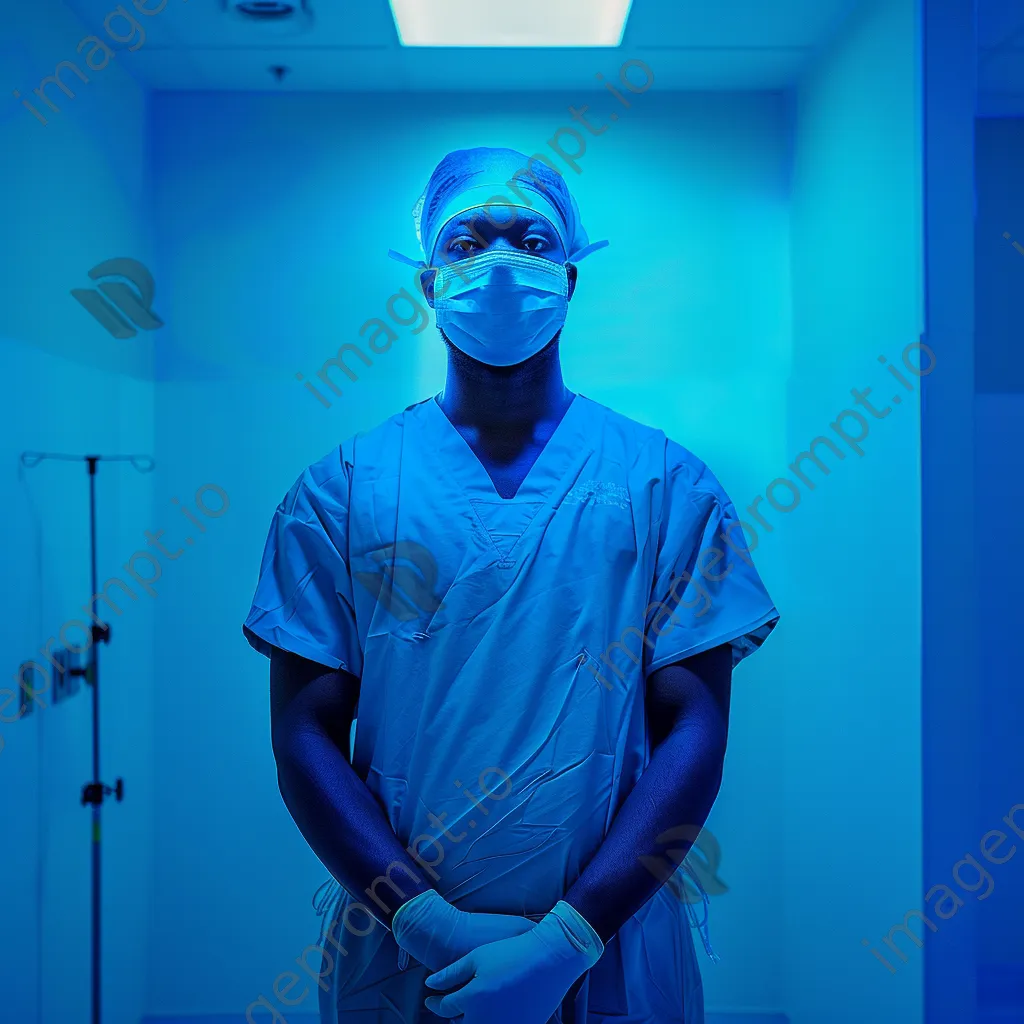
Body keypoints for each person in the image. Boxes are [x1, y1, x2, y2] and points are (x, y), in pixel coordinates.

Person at [243, 147, 779, 1024]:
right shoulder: (339, 492)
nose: (498, 264)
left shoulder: (664, 487)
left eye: (531, 240)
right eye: (463, 242)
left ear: (570, 277)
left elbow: (696, 727)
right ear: (427, 282)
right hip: (406, 954)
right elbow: (303, 735)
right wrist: (427, 922)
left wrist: (566, 940)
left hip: (612, 944)